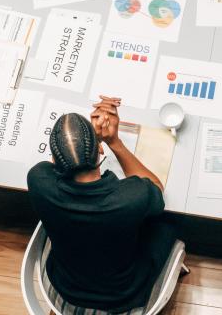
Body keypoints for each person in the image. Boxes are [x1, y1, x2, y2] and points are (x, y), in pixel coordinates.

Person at [27, 96, 178, 312]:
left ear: (53, 159)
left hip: (67, 285)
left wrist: (81, 146)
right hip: (123, 294)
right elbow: (156, 187)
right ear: (100, 151)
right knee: (165, 222)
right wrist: (113, 141)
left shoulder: (38, 180)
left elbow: (51, 167)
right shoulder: (131, 198)